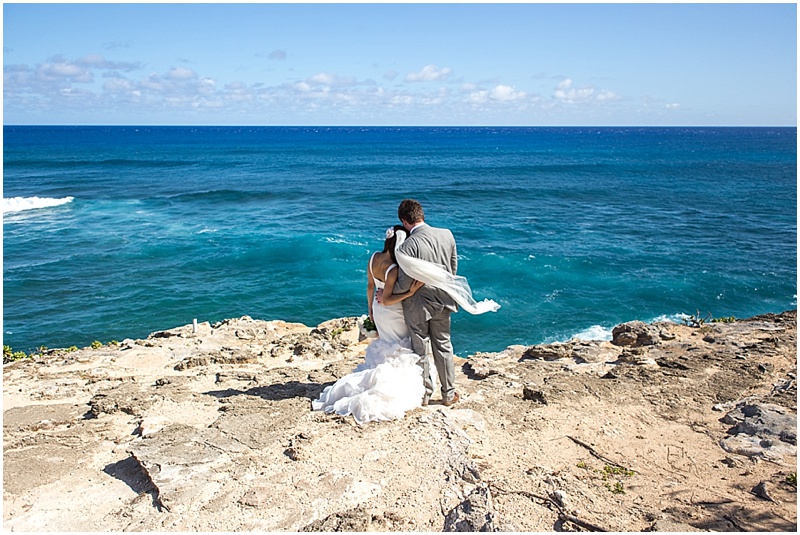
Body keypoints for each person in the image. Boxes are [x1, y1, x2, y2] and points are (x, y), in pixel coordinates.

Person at [311, 225, 425, 424]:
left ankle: (378, 370)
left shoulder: (373, 258)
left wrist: (371, 309)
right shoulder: (393, 268)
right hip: (392, 313)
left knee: (387, 342)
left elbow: (371, 286)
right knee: (398, 343)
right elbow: (388, 299)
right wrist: (410, 292)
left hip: (378, 311)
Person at [391, 199, 500, 407]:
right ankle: (448, 395)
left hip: (417, 303)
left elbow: (404, 284)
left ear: (404, 221)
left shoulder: (406, 247)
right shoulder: (446, 234)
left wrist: (387, 294)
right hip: (443, 299)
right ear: (421, 215)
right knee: (443, 346)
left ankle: (424, 396)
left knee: (420, 350)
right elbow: (453, 269)